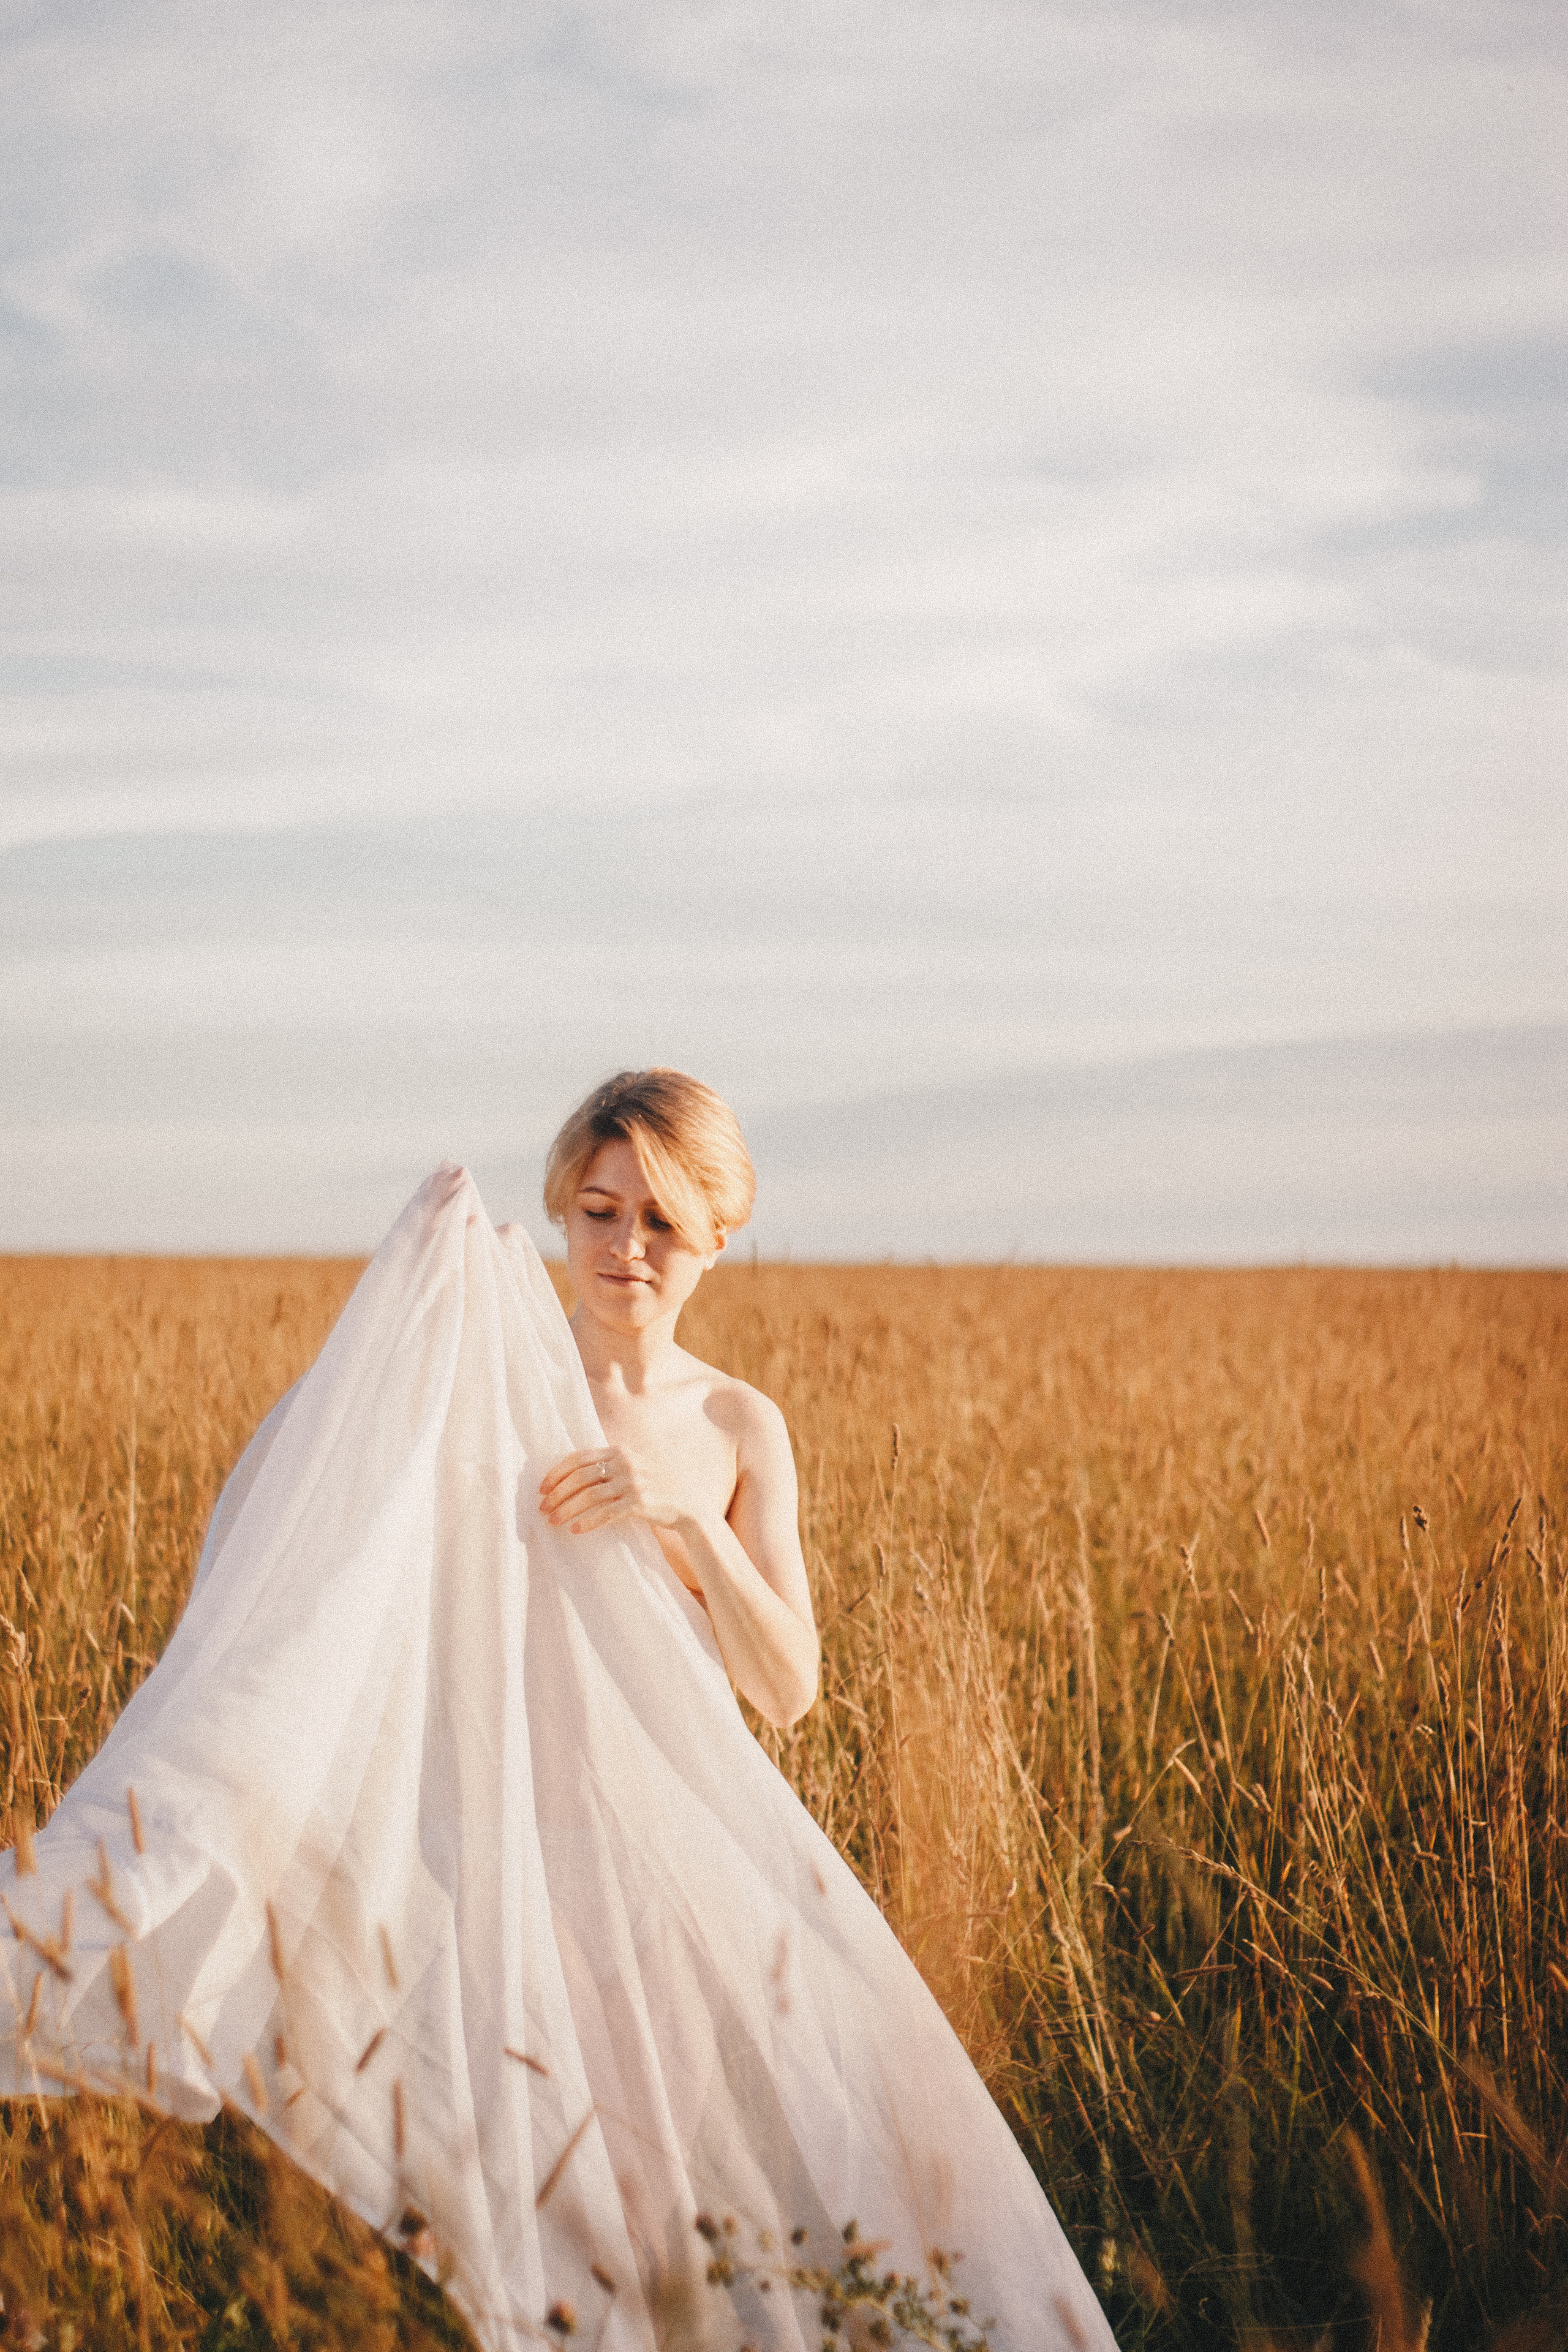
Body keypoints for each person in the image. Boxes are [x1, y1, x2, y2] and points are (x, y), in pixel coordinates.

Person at [0, 1071, 1116, 2352]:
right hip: (496, 1867)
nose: (624, 1248)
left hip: (668, 1880)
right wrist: (412, 1295)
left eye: (660, 1221)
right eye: (596, 1211)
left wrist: (683, 1513)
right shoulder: (489, 1387)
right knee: (516, 2218)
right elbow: (333, 1528)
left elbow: (789, 1689)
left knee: (651, 2223)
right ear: (560, 1216)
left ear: (716, 1238)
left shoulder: (738, 1424)